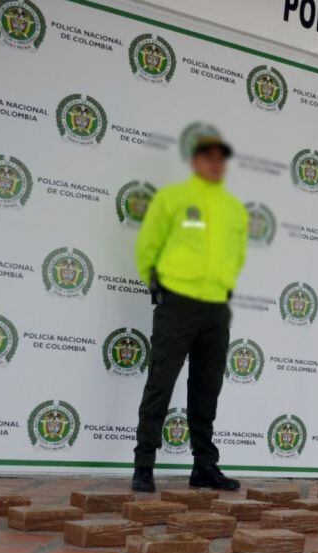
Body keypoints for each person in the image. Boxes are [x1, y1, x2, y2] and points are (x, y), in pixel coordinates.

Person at [131, 135, 248, 492]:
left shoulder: (233, 208)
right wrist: (160, 288)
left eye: (220, 159)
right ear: (195, 161)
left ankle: (204, 466)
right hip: (177, 305)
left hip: (215, 309)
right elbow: (148, 245)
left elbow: (236, 254)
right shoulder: (173, 199)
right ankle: (144, 465)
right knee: (161, 384)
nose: (215, 164)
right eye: (208, 157)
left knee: (207, 389)